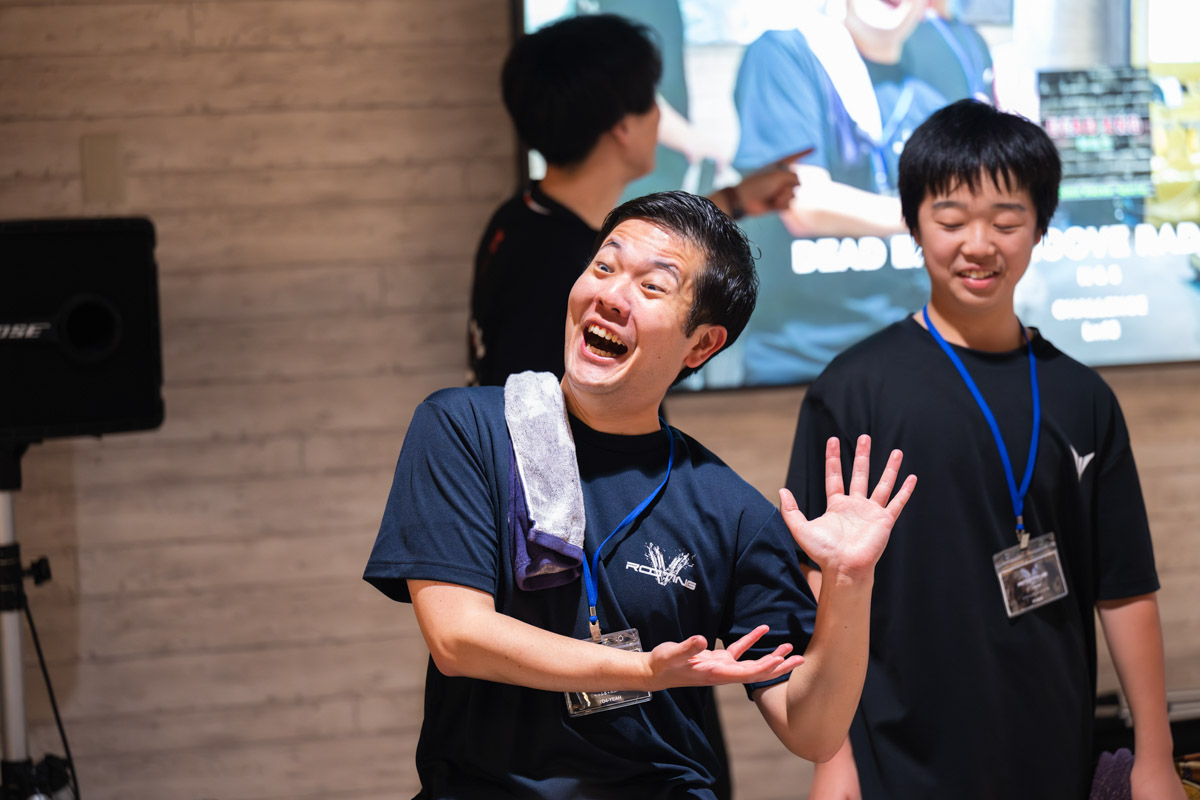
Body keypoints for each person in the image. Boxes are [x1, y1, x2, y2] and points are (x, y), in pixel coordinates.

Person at [368, 190, 917, 798]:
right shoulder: (468, 428)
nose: (609, 295)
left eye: (652, 286)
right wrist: (642, 670)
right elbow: (457, 638)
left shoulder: (729, 510)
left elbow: (810, 729)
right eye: (603, 266)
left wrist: (850, 582)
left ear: (702, 345)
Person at [785, 100, 1184, 800]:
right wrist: (832, 756)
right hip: (895, 755)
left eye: (1005, 221)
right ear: (913, 225)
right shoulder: (852, 389)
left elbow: (1124, 586)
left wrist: (1155, 754)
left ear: (1041, 227)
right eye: (951, 221)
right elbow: (818, 580)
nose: (979, 245)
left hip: (1051, 747)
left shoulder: (1082, 397)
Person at [467, 13, 800, 387]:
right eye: (652, 101)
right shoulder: (559, 270)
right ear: (623, 127)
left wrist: (735, 199)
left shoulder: (521, 219)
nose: (659, 117)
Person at [730, 0, 995, 386]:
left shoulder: (955, 56)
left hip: (935, 351)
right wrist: (945, 216)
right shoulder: (788, 51)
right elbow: (802, 203)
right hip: (809, 361)